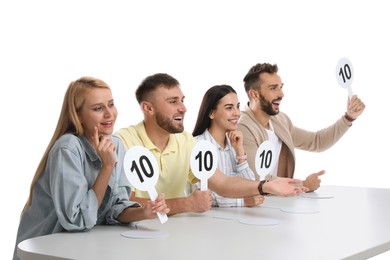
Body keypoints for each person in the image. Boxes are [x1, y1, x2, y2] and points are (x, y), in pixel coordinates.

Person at [13, 77, 169, 260]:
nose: (109, 114)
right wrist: (107, 167)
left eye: (111, 104)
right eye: (98, 108)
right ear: (77, 115)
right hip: (45, 251)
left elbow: (114, 208)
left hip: (81, 247)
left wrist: (144, 212)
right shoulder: (68, 148)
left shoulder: (116, 145)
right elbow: (77, 220)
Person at [115, 73, 308, 216]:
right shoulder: (123, 141)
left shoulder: (186, 142)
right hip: (131, 236)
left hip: (176, 234)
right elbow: (122, 202)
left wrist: (266, 186)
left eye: (182, 101)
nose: (183, 108)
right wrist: (186, 204)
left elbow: (222, 183)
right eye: (173, 102)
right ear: (148, 108)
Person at [237, 63, 366, 192]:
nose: (281, 94)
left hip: (279, 202)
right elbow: (257, 178)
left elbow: (316, 141)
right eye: (273, 88)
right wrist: (304, 185)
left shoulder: (280, 120)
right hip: (255, 205)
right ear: (254, 94)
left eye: (281, 87)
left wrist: (349, 117)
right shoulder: (243, 127)